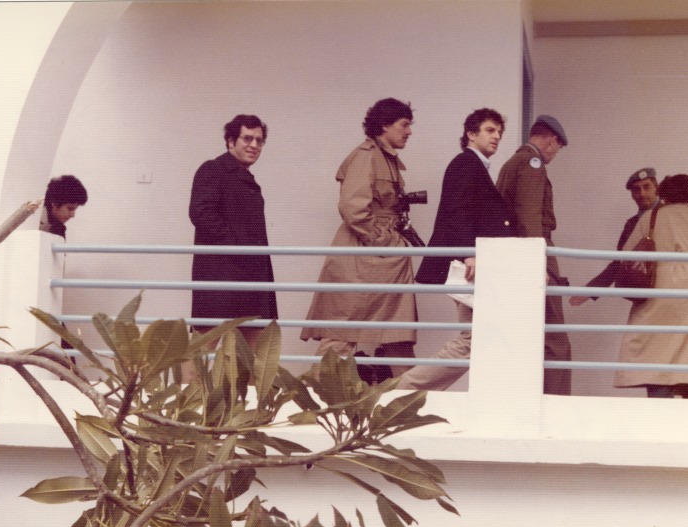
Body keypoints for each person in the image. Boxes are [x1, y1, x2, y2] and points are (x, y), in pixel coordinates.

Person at [300, 98, 418, 378]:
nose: (409, 131)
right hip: (363, 258)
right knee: (342, 333)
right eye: (404, 125)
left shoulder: (385, 158)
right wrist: (386, 243)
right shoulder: (367, 156)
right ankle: (317, 401)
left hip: (380, 261)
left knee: (396, 335)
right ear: (385, 125)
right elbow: (353, 208)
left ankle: (413, 399)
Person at [397, 108, 514, 390]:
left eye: (499, 132)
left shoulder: (475, 166)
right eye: (489, 130)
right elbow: (458, 211)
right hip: (469, 265)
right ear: (471, 134)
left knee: (477, 339)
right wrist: (468, 252)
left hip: (474, 263)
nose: (497, 136)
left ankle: (403, 392)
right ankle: (401, 392)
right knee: (474, 340)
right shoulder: (465, 164)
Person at [615, 174, 688, 399]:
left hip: (660, 287)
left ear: (663, 193)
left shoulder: (650, 218)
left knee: (657, 351)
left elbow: (627, 253)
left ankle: (660, 408)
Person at [496, 115, 572, 395]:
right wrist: (538, 262)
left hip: (514, 255)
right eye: (558, 147)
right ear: (552, 141)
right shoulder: (532, 163)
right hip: (534, 253)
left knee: (521, 336)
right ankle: (558, 405)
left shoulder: (511, 163)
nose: (555, 154)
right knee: (555, 340)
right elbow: (529, 216)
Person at [189, 114, 277, 349]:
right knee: (201, 349)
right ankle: (187, 388)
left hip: (249, 279)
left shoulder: (245, 177)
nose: (254, 145)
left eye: (259, 141)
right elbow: (200, 213)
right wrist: (239, 245)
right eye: (247, 138)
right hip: (221, 276)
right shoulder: (213, 169)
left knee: (254, 354)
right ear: (230, 141)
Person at [569, 168, 661, 306]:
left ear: (656, 188)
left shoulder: (671, 214)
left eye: (646, 187)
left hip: (672, 291)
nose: (642, 194)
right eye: (636, 190)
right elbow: (619, 263)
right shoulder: (632, 224)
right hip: (646, 295)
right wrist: (590, 290)